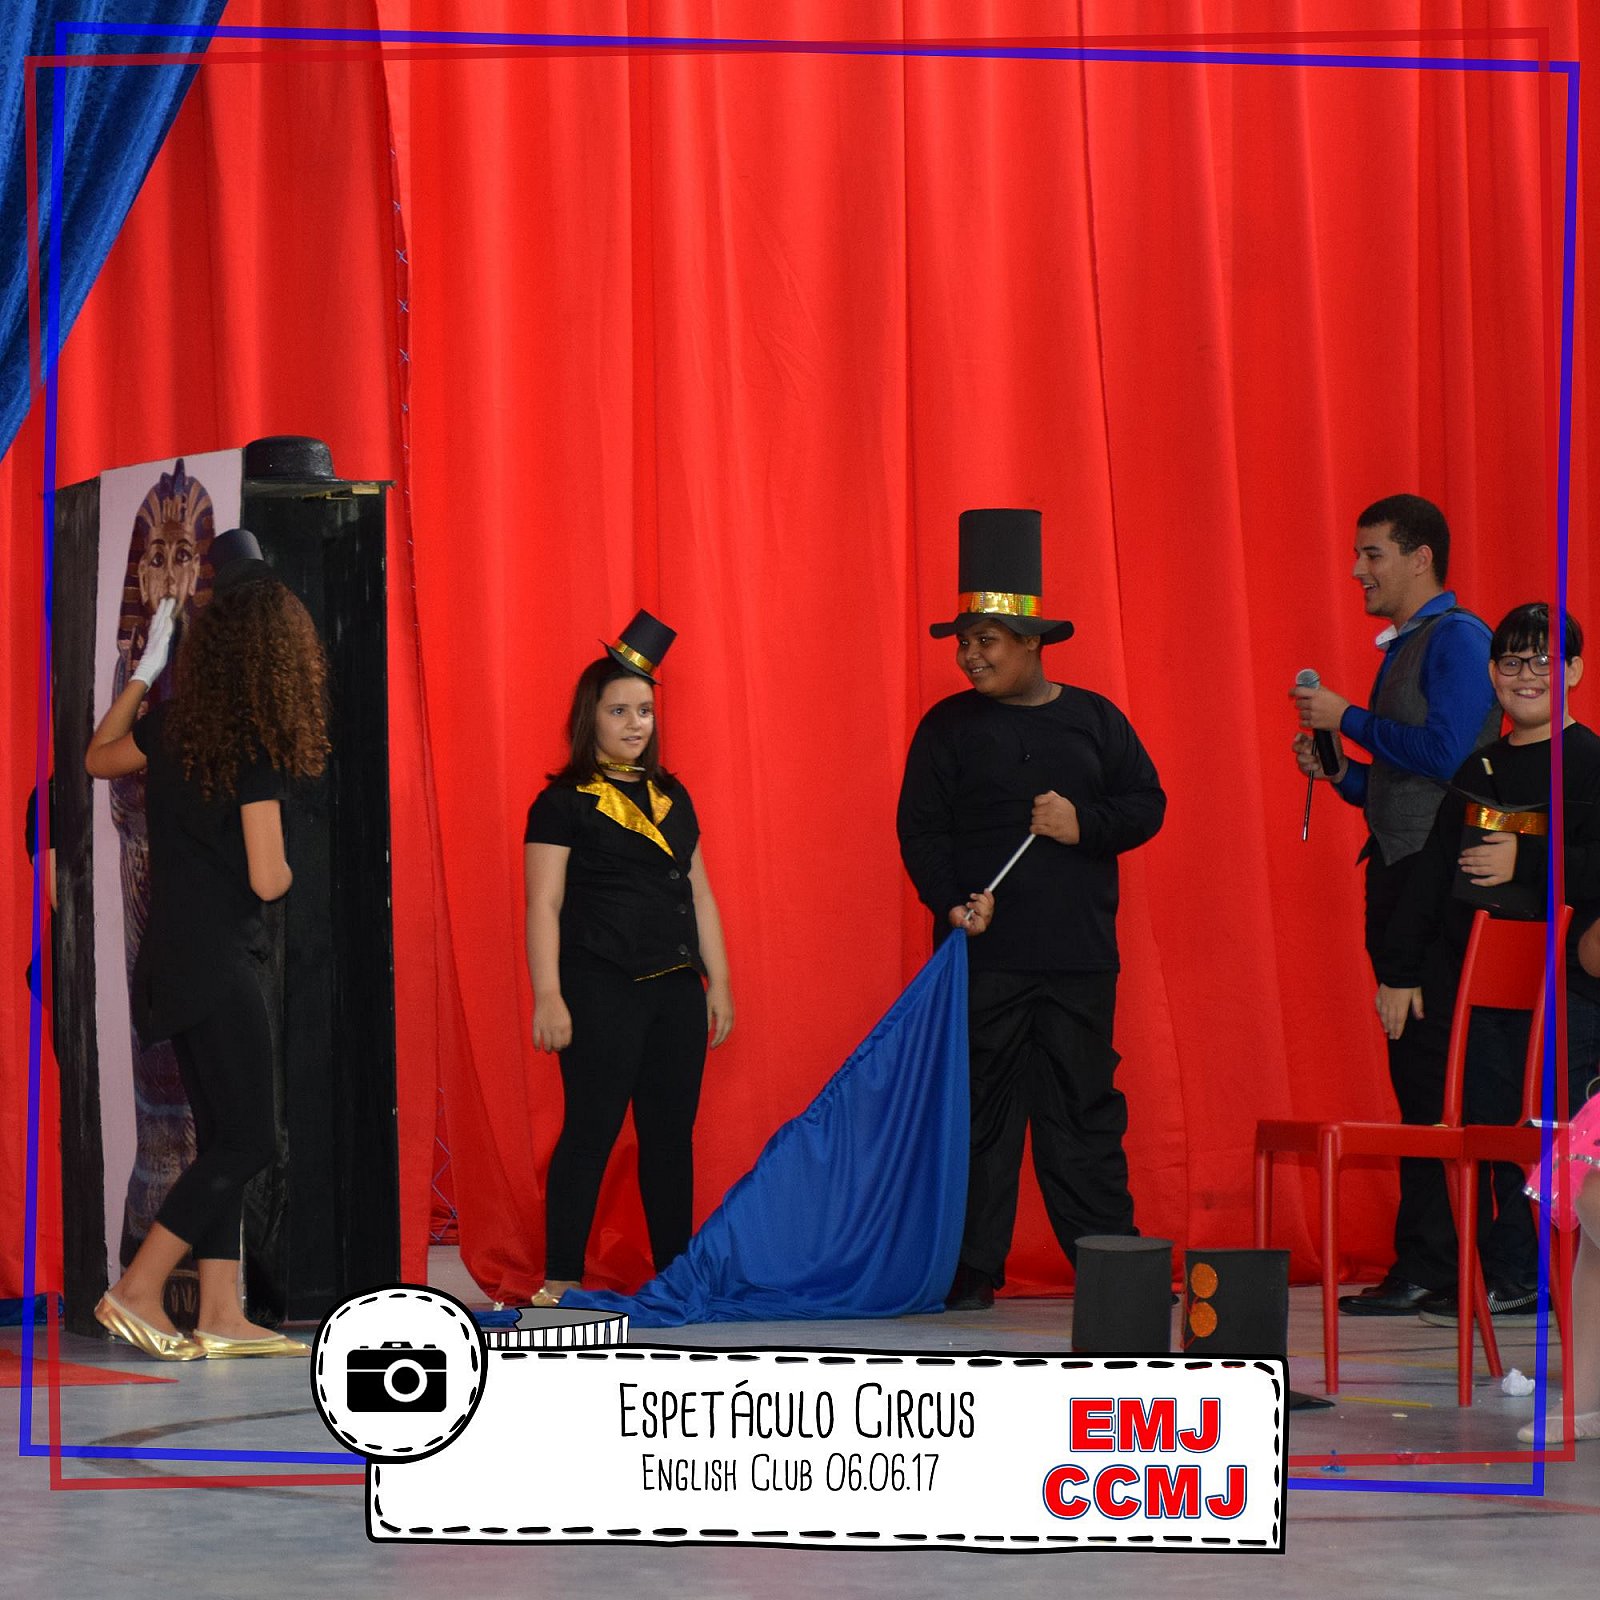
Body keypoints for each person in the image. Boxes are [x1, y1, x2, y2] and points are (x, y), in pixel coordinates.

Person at [898, 508, 1166, 1312]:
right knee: (978, 1112)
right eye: (963, 641)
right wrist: (952, 904)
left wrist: (1083, 823)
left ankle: (1111, 1270)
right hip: (986, 957)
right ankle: (969, 1269)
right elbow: (920, 830)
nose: (970, 655)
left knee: (1085, 1111)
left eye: (986, 640)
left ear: (1031, 643)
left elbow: (1147, 803)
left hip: (1079, 958)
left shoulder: (1094, 719)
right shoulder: (947, 727)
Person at [84, 529, 329, 1359]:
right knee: (250, 1137)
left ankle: (221, 1312)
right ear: (276, 652)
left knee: (223, 1131)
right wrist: (289, 860)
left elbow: (97, 759)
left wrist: (145, 675)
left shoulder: (174, 728)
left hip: (170, 964)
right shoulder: (253, 746)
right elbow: (269, 878)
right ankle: (136, 1290)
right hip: (221, 964)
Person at [1290, 494, 1500, 1316]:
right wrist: (1341, 772)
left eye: (1372, 553)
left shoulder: (1459, 640)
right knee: (1419, 1073)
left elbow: (1447, 756)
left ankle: (1443, 1261)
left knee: (1435, 1071)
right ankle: (1436, 1259)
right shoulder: (1416, 642)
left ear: (1421, 558)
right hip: (1406, 871)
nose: (1357, 570)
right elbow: (1403, 781)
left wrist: (1348, 716)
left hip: (1435, 887)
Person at [1375, 605, 1600, 1323]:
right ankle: (1506, 1273)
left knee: (1550, 1134)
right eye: (1510, 662)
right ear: (1493, 675)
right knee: (1489, 1129)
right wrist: (1399, 971)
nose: (1525, 675)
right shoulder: (1480, 767)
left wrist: (1527, 858)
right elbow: (1434, 874)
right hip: (1479, 995)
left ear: (1573, 671)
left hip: (1565, 998)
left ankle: (1531, 1272)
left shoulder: (1590, 762)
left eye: (1543, 661)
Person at [524, 611, 734, 1306]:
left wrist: (719, 982)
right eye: (619, 711)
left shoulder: (675, 797)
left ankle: (674, 1273)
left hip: (675, 990)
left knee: (670, 1138)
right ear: (590, 718)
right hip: (599, 986)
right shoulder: (562, 803)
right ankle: (561, 1276)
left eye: (644, 710)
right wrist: (548, 995)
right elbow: (544, 904)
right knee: (591, 1130)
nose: (635, 723)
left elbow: (700, 893)